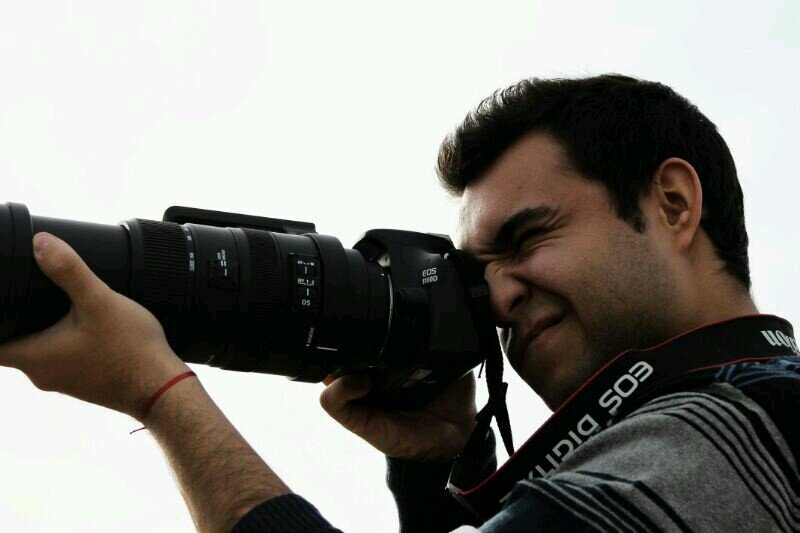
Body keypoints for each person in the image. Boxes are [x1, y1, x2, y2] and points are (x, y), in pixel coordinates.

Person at [0, 73, 797, 532]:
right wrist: (432, 478)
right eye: (478, 269)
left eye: (527, 239)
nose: (497, 295)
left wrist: (160, 392)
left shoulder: (741, 428)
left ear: (672, 203)